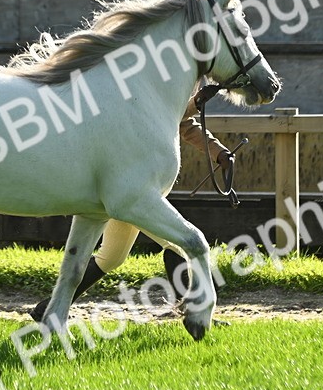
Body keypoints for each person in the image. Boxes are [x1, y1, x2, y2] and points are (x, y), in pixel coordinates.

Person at [29, 113, 233, 321]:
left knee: (111, 258)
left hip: (131, 186)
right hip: (131, 187)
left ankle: (48, 309)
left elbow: (186, 123)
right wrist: (195, 103)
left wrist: (219, 153)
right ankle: (195, 314)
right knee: (178, 243)